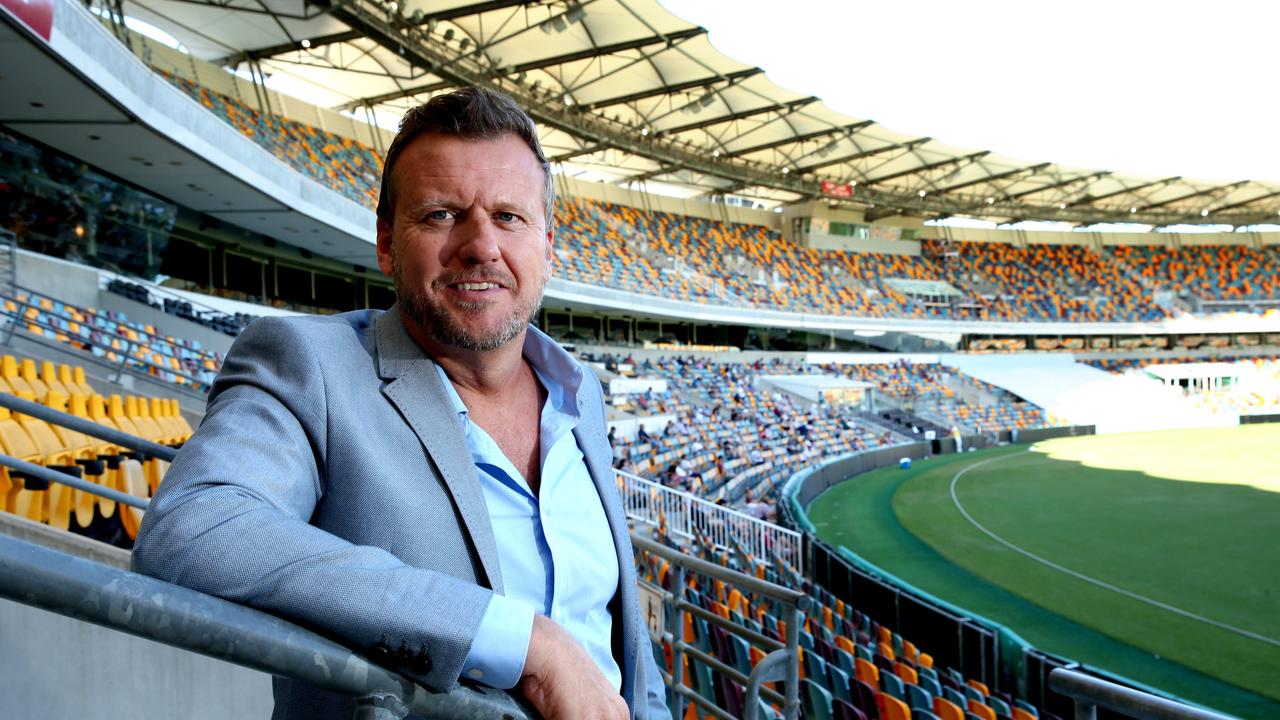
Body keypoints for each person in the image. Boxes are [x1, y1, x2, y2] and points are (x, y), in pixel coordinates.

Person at [132, 87, 668, 720]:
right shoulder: (310, 366)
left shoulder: (580, 395)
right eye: (441, 214)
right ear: (386, 242)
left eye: (509, 217)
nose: (481, 245)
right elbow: (194, 529)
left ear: (547, 248)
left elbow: (619, 650)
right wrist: (526, 644)